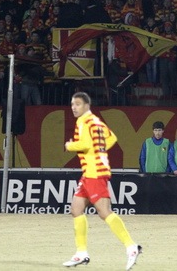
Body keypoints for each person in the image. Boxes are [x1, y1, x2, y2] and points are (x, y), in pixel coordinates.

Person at [63, 92, 142, 269]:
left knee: (104, 212)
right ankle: (81, 253)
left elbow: (85, 144)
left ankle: (131, 247)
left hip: (95, 173)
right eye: (72, 104)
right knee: (76, 209)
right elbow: (112, 138)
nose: (73, 107)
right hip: (90, 173)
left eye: (77, 104)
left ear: (86, 105)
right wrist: (99, 150)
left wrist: (70, 146)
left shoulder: (83, 121)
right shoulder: (96, 121)